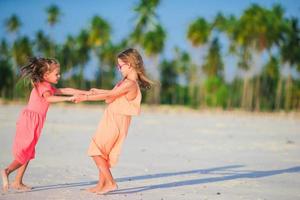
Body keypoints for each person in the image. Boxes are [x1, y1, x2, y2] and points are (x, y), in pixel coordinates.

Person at [1, 57, 89, 192]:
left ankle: (17, 181)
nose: (59, 76)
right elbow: (49, 98)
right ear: (46, 75)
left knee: (28, 151)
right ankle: (7, 171)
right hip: (31, 122)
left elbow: (64, 90)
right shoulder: (44, 86)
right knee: (25, 152)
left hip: (32, 121)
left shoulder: (46, 85)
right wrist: (68, 99)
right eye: (57, 74)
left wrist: (84, 92)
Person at [74, 48, 153, 194]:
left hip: (116, 122)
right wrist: (96, 91)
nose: (119, 69)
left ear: (129, 64)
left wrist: (85, 98)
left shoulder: (130, 84)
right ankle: (101, 184)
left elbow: (112, 94)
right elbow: (112, 94)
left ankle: (110, 183)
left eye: (120, 66)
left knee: (95, 151)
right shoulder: (126, 82)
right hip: (112, 119)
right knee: (103, 152)